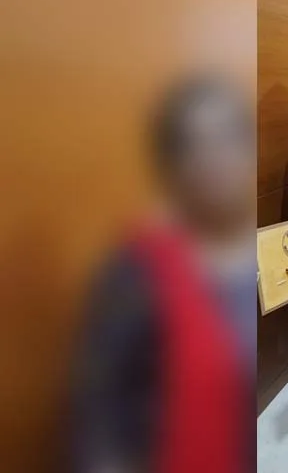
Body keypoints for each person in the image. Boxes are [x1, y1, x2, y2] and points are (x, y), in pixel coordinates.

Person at [70, 75, 256, 473]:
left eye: (227, 139)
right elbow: (97, 411)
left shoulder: (261, 253)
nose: (213, 159)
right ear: (171, 163)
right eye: (193, 145)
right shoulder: (136, 267)